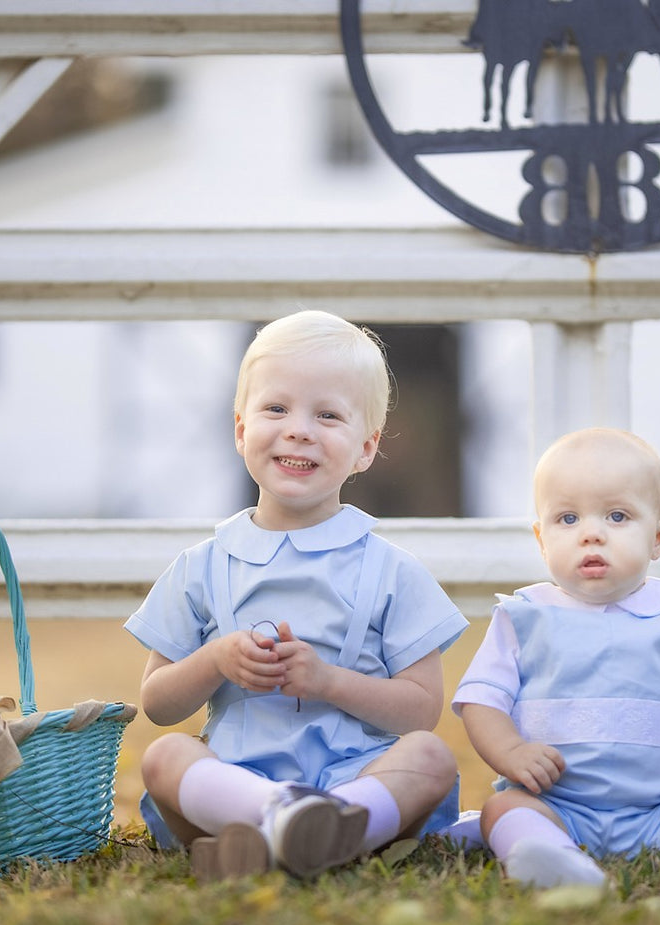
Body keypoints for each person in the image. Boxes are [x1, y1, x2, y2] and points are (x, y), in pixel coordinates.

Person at [128, 309, 469, 881]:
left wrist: (330, 681)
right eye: (277, 408)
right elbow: (158, 704)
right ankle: (286, 825)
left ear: (365, 448)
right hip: (236, 783)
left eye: (328, 415)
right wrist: (215, 660)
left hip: (356, 777)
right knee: (164, 758)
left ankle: (310, 833)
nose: (299, 429)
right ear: (240, 430)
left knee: (429, 759)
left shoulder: (391, 570)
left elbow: (422, 710)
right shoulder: (202, 567)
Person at [452, 427, 660, 899]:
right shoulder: (525, 616)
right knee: (504, 811)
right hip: (557, 802)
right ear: (541, 538)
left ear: (658, 537)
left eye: (617, 515)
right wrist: (512, 753)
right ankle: (552, 858)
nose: (591, 533)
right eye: (567, 518)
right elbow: (480, 701)